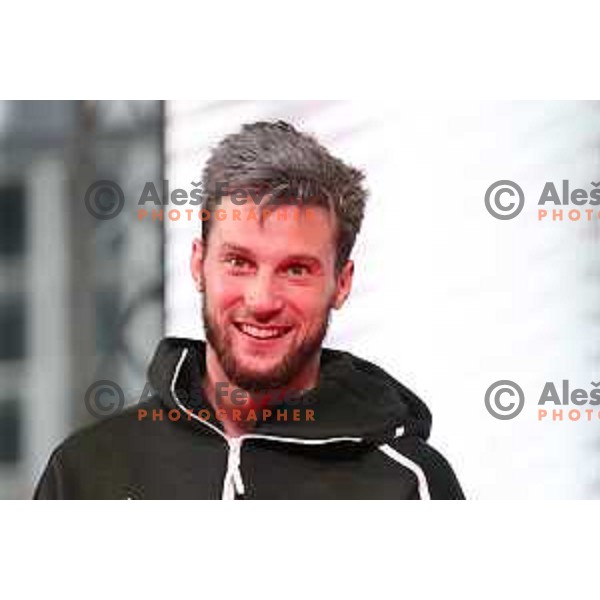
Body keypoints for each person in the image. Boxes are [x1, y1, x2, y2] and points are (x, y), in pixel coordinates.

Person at [34, 120, 464, 500]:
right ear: (198, 264)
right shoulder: (85, 474)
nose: (261, 301)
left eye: (296, 269)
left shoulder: (407, 487)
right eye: (239, 262)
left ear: (343, 283)